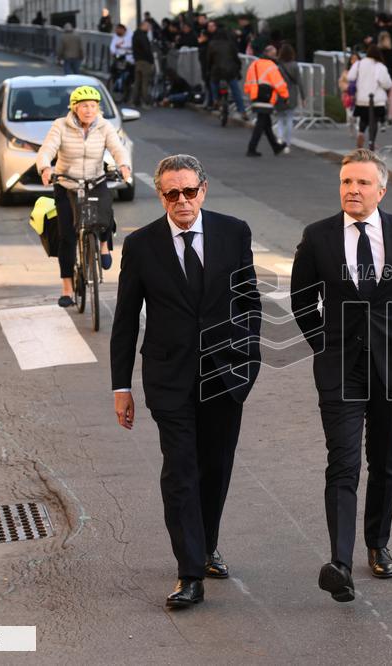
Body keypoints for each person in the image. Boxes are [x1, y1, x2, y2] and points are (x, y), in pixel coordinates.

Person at [110, 154, 261, 610]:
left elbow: (250, 300)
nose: (182, 200)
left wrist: (248, 363)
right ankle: (189, 570)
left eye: (189, 191)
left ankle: (206, 544)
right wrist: (121, 387)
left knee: (215, 468)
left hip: (225, 377)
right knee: (180, 471)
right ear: (160, 196)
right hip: (169, 378)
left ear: (203, 189)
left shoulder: (234, 233)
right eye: (171, 193)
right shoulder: (140, 246)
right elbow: (124, 321)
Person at [290, 149, 392, 602]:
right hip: (340, 370)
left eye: (362, 183)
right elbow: (301, 301)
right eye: (346, 182)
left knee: (385, 460)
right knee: (343, 462)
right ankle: (340, 562)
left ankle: (378, 544)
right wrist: (325, 346)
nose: (352, 189)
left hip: (391, 369)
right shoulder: (318, 237)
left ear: (381, 190)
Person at [36, 85, 132, 307]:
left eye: (93, 106)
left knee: (106, 211)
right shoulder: (60, 125)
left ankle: (104, 244)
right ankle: (67, 288)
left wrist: (124, 165)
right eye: (84, 106)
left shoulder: (104, 126)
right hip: (66, 183)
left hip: (94, 180)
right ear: (74, 108)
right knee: (67, 235)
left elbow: (117, 148)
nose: (89, 110)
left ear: (98, 108)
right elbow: (47, 149)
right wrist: (45, 168)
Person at [243, 44, 288, 157]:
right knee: (261, 123)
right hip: (266, 97)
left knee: (266, 123)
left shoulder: (254, 64)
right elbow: (278, 83)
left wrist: (250, 91)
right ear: (272, 55)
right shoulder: (271, 66)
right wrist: (285, 96)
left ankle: (275, 146)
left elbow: (248, 81)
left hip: (255, 96)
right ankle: (251, 148)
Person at [347, 45, 392, 149]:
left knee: (364, 118)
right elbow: (386, 83)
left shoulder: (359, 64)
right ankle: (372, 142)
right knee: (374, 120)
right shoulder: (379, 66)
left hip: (362, 98)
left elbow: (350, 76)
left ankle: (361, 133)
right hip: (376, 99)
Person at [207, 26, 247, 118]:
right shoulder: (230, 44)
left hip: (216, 71)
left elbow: (209, 60)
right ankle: (242, 110)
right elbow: (235, 58)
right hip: (230, 71)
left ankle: (216, 100)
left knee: (213, 83)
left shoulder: (212, 44)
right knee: (236, 90)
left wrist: (208, 69)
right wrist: (238, 67)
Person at [274, 43, 304, 149]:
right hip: (292, 94)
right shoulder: (295, 65)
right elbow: (299, 82)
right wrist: (303, 97)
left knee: (280, 118)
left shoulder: (278, 66)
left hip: (280, 94)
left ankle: (279, 138)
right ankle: (287, 142)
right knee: (290, 119)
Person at [131, 20, 155, 107]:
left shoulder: (135, 35)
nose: (148, 29)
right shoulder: (143, 36)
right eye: (148, 27)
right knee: (145, 82)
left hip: (137, 60)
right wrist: (151, 61)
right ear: (143, 26)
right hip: (145, 61)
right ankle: (145, 102)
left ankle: (134, 101)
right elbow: (147, 49)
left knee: (137, 82)